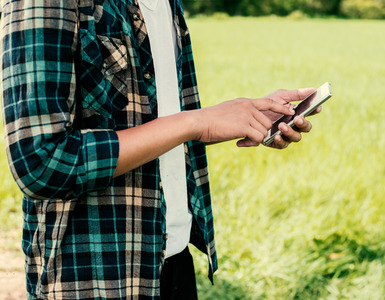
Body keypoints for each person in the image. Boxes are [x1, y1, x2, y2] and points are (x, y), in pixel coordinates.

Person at [1, 0, 319, 299]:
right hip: (93, 273)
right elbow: (40, 162)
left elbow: (159, 120)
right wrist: (197, 121)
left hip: (174, 256)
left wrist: (242, 118)